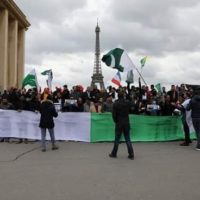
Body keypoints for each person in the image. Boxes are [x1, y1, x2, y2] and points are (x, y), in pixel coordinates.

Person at [109, 91, 134, 160]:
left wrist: (116, 121)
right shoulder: (127, 102)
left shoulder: (115, 103)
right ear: (124, 96)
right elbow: (133, 105)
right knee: (127, 139)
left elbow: (113, 115)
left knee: (117, 139)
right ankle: (131, 153)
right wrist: (129, 97)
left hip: (119, 123)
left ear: (118, 96)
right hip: (126, 122)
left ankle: (114, 153)